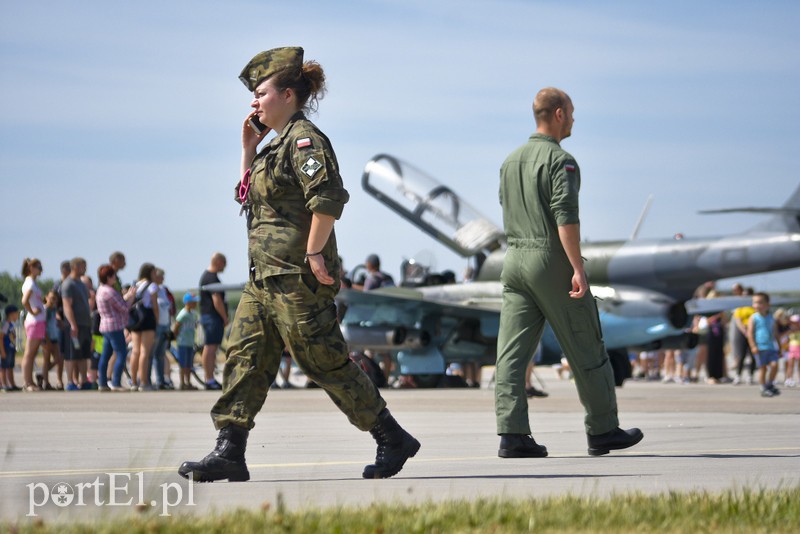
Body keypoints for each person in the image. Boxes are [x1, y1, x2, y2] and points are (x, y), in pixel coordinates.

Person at [179, 46, 419, 483]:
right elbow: (247, 197)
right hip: (263, 278)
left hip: (297, 278)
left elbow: (326, 199)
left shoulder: (305, 140)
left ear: (288, 95)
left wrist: (313, 253)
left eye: (261, 93)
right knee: (244, 357)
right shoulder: (273, 147)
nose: (254, 101)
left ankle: (391, 436)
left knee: (322, 360)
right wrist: (248, 150)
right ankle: (230, 449)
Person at [494, 87, 642, 458]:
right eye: (572, 112)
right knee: (585, 342)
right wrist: (577, 267)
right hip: (550, 260)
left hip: (514, 260)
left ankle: (512, 434)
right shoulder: (562, 161)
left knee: (511, 353)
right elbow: (566, 217)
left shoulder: (510, 161)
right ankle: (603, 429)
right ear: (559, 113)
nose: (574, 118)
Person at [96, 264, 136, 391]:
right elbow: (124, 307)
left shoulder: (101, 290)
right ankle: (116, 382)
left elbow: (117, 302)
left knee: (105, 355)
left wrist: (126, 296)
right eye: (114, 276)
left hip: (105, 325)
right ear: (109, 277)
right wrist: (131, 298)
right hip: (115, 326)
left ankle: (102, 383)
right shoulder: (110, 291)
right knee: (121, 354)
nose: (115, 278)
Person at [61, 257, 93, 390]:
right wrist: (73, 324)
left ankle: (84, 380)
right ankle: (70, 381)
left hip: (85, 324)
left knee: (83, 354)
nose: (85, 269)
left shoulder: (81, 284)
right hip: (74, 325)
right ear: (75, 267)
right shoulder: (68, 284)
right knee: (72, 354)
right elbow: (67, 305)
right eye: (83, 266)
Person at [199, 253, 229, 390]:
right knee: (210, 347)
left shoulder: (210, 277)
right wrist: (224, 317)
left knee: (211, 347)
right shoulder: (211, 278)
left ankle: (209, 378)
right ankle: (209, 379)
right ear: (217, 261)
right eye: (224, 263)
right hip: (212, 317)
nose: (225, 266)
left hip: (210, 317)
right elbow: (217, 300)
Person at [129, 263, 159, 391]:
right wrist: (157, 320)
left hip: (136, 318)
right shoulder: (152, 286)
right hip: (147, 318)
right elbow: (154, 305)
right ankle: (144, 381)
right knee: (145, 351)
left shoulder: (136, 284)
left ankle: (133, 381)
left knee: (135, 351)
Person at [747, 292, 780, 397]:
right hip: (760, 348)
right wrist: (753, 346)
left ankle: (770, 384)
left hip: (771, 347)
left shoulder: (771, 318)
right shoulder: (754, 317)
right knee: (763, 368)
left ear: (767, 304)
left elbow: (775, 333)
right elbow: (750, 333)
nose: (756, 305)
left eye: (760, 302)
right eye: (755, 302)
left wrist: (779, 346)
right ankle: (763, 387)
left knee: (775, 365)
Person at [20, 258, 47, 391]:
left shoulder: (33, 283)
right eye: (39, 267)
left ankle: (30, 381)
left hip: (39, 321)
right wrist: (32, 311)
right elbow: (24, 300)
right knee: (29, 353)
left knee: (33, 353)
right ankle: (27, 382)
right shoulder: (30, 283)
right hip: (34, 321)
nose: (41, 270)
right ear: (31, 268)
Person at [150, 268, 175, 390]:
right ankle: (147, 379)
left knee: (160, 354)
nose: (163, 279)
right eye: (161, 276)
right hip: (157, 325)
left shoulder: (163, 290)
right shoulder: (152, 289)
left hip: (165, 325)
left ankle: (161, 380)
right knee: (152, 354)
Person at [173, 292, 200, 390]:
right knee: (183, 364)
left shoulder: (193, 314)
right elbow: (176, 326)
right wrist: (176, 337)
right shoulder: (183, 314)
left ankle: (188, 383)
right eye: (194, 302)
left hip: (190, 342)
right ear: (188, 302)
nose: (196, 304)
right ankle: (182, 383)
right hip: (183, 342)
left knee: (189, 364)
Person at [42, 290, 64, 390]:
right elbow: (43, 325)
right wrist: (47, 340)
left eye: (55, 299)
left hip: (54, 337)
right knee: (46, 359)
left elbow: (54, 321)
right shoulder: (45, 310)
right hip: (46, 338)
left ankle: (43, 374)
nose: (52, 301)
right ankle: (45, 382)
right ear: (46, 297)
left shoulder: (54, 309)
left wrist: (60, 323)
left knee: (58, 358)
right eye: (51, 298)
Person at [1, 305, 20, 391]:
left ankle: (12, 384)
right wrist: (2, 351)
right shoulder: (5, 324)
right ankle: (4, 384)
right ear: (11, 314)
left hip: (11, 349)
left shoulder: (11, 324)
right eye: (16, 314)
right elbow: (1, 338)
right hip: (6, 349)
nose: (17, 316)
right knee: (4, 367)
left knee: (10, 367)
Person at [785, 314, 800, 387]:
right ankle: (789, 379)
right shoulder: (789, 331)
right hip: (791, 349)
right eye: (793, 322)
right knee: (790, 365)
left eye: (796, 322)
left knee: (799, 366)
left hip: (799, 349)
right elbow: (786, 340)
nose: (794, 324)